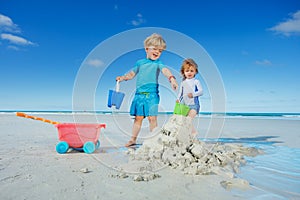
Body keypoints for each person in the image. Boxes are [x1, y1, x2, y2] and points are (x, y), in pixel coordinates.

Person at [116, 33, 178, 147]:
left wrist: (172, 78)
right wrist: (123, 78)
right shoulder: (140, 63)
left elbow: (165, 71)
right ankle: (133, 139)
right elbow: (131, 74)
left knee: (152, 118)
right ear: (146, 49)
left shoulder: (159, 63)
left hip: (152, 95)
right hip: (139, 95)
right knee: (138, 118)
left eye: (160, 51)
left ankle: (154, 139)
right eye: (154, 49)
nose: (157, 52)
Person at [176, 58, 203, 135]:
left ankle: (194, 133)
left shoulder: (196, 81)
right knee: (184, 120)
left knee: (188, 120)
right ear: (183, 72)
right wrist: (178, 99)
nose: (189, 73)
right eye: (187, 71)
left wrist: (193, 94)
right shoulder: (183, 83)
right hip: (184, 105)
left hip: (194, 105)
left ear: (195, 72)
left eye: (192, 71)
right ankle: (191, 133)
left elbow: (201, 92)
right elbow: (180, 93)